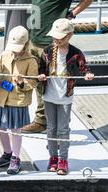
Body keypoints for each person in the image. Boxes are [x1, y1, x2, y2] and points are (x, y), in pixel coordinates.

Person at [21, 0, 93, 133]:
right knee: (39, 82)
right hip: (35, 39)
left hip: (52, 41)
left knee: (55, 84)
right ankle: (43, 120)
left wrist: (72, 14)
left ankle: (58, 126)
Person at [38, 19, 94, 175]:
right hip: (49, 95)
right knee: (51, 128)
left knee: (63, 129)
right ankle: (52, 158)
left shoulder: (75, 53)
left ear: (69, 35)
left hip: (65, 96)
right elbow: (41, 67)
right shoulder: (47, 51)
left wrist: (87, 74)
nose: (56, 40)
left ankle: (63, 159)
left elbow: (84, 68)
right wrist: (41, 75)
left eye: (60, 37)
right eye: (55, 37)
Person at [0, 26, 38, 175]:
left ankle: (15, 158)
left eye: (18, 48)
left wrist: (20, 83)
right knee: (0, 127)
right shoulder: (4, 56)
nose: (15, 50)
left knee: (15, 130)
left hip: (18, 100)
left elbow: (33, 82)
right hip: (3, 98)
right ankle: (7, 153)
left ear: (26, 44)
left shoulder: (31, 60)